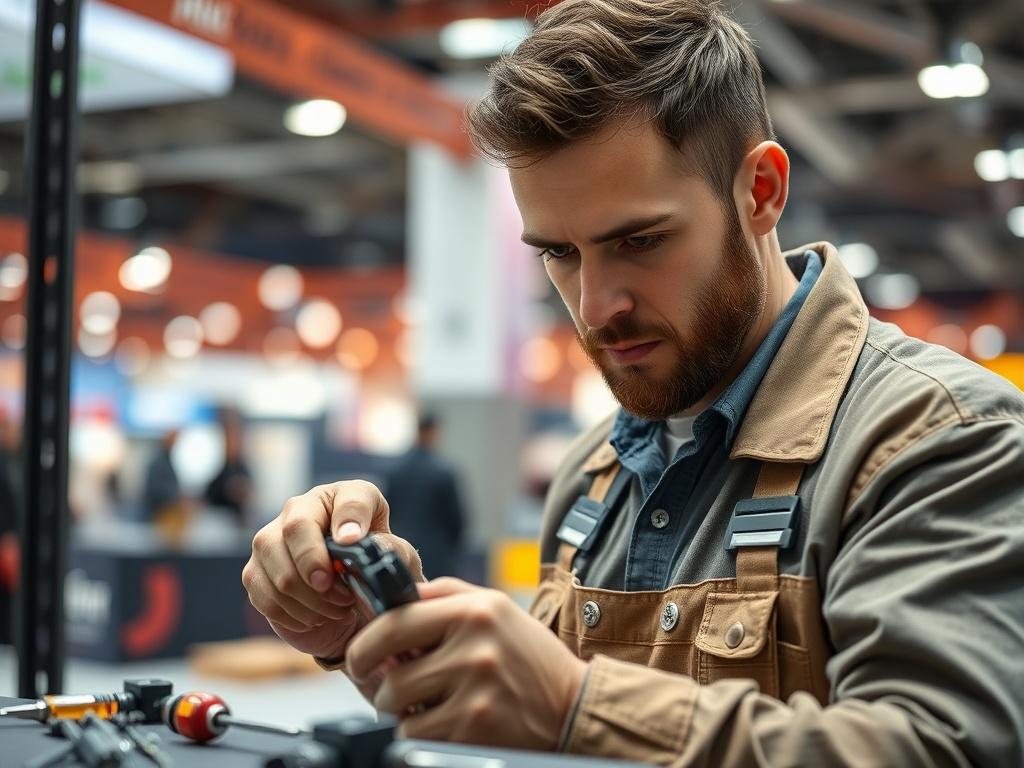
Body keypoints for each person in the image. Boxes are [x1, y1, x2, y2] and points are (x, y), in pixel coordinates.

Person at [242, 1, 1024, 765]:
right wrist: (369, 635)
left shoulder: (942, 439)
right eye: (559, 253)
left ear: (761, 192)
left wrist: (574, 706)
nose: (596, 306)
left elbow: (943, 746)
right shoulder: (591, 475)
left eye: (639, 240)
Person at [383, 413, 465, 578]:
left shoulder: (395, 471)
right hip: (436, 558)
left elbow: (386, 511)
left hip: (400, 553)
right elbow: (456, 520)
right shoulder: (443, 472)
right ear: (434, 433)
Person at [204, 408, 253, 525]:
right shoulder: (215, 465)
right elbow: (208, 495)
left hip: (237, 524)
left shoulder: (242, 467)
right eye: (229, 438)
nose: (233, 443)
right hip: (217, 523)